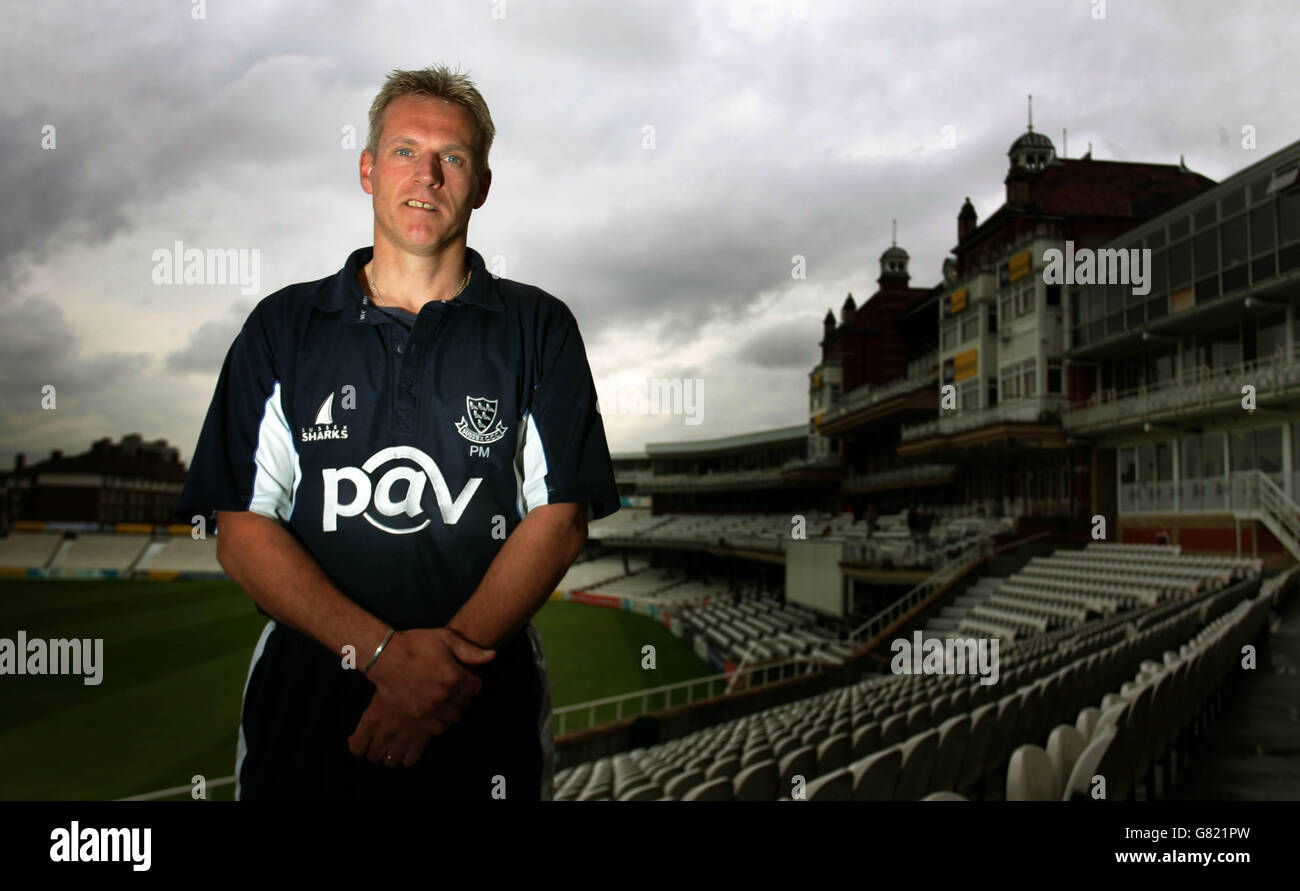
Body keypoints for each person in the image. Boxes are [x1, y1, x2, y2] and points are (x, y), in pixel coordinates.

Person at [175, 65, 620, 800]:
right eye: (406, 150)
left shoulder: (539, 326)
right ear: (367, 168)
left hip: (483, 707)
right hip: (307, 707)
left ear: (480, 183)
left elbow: (562, 517)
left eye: (453, 157)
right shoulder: (282, 329)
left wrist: (434, 676)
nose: (428, 175)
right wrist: (381, 655)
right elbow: (239, 526)